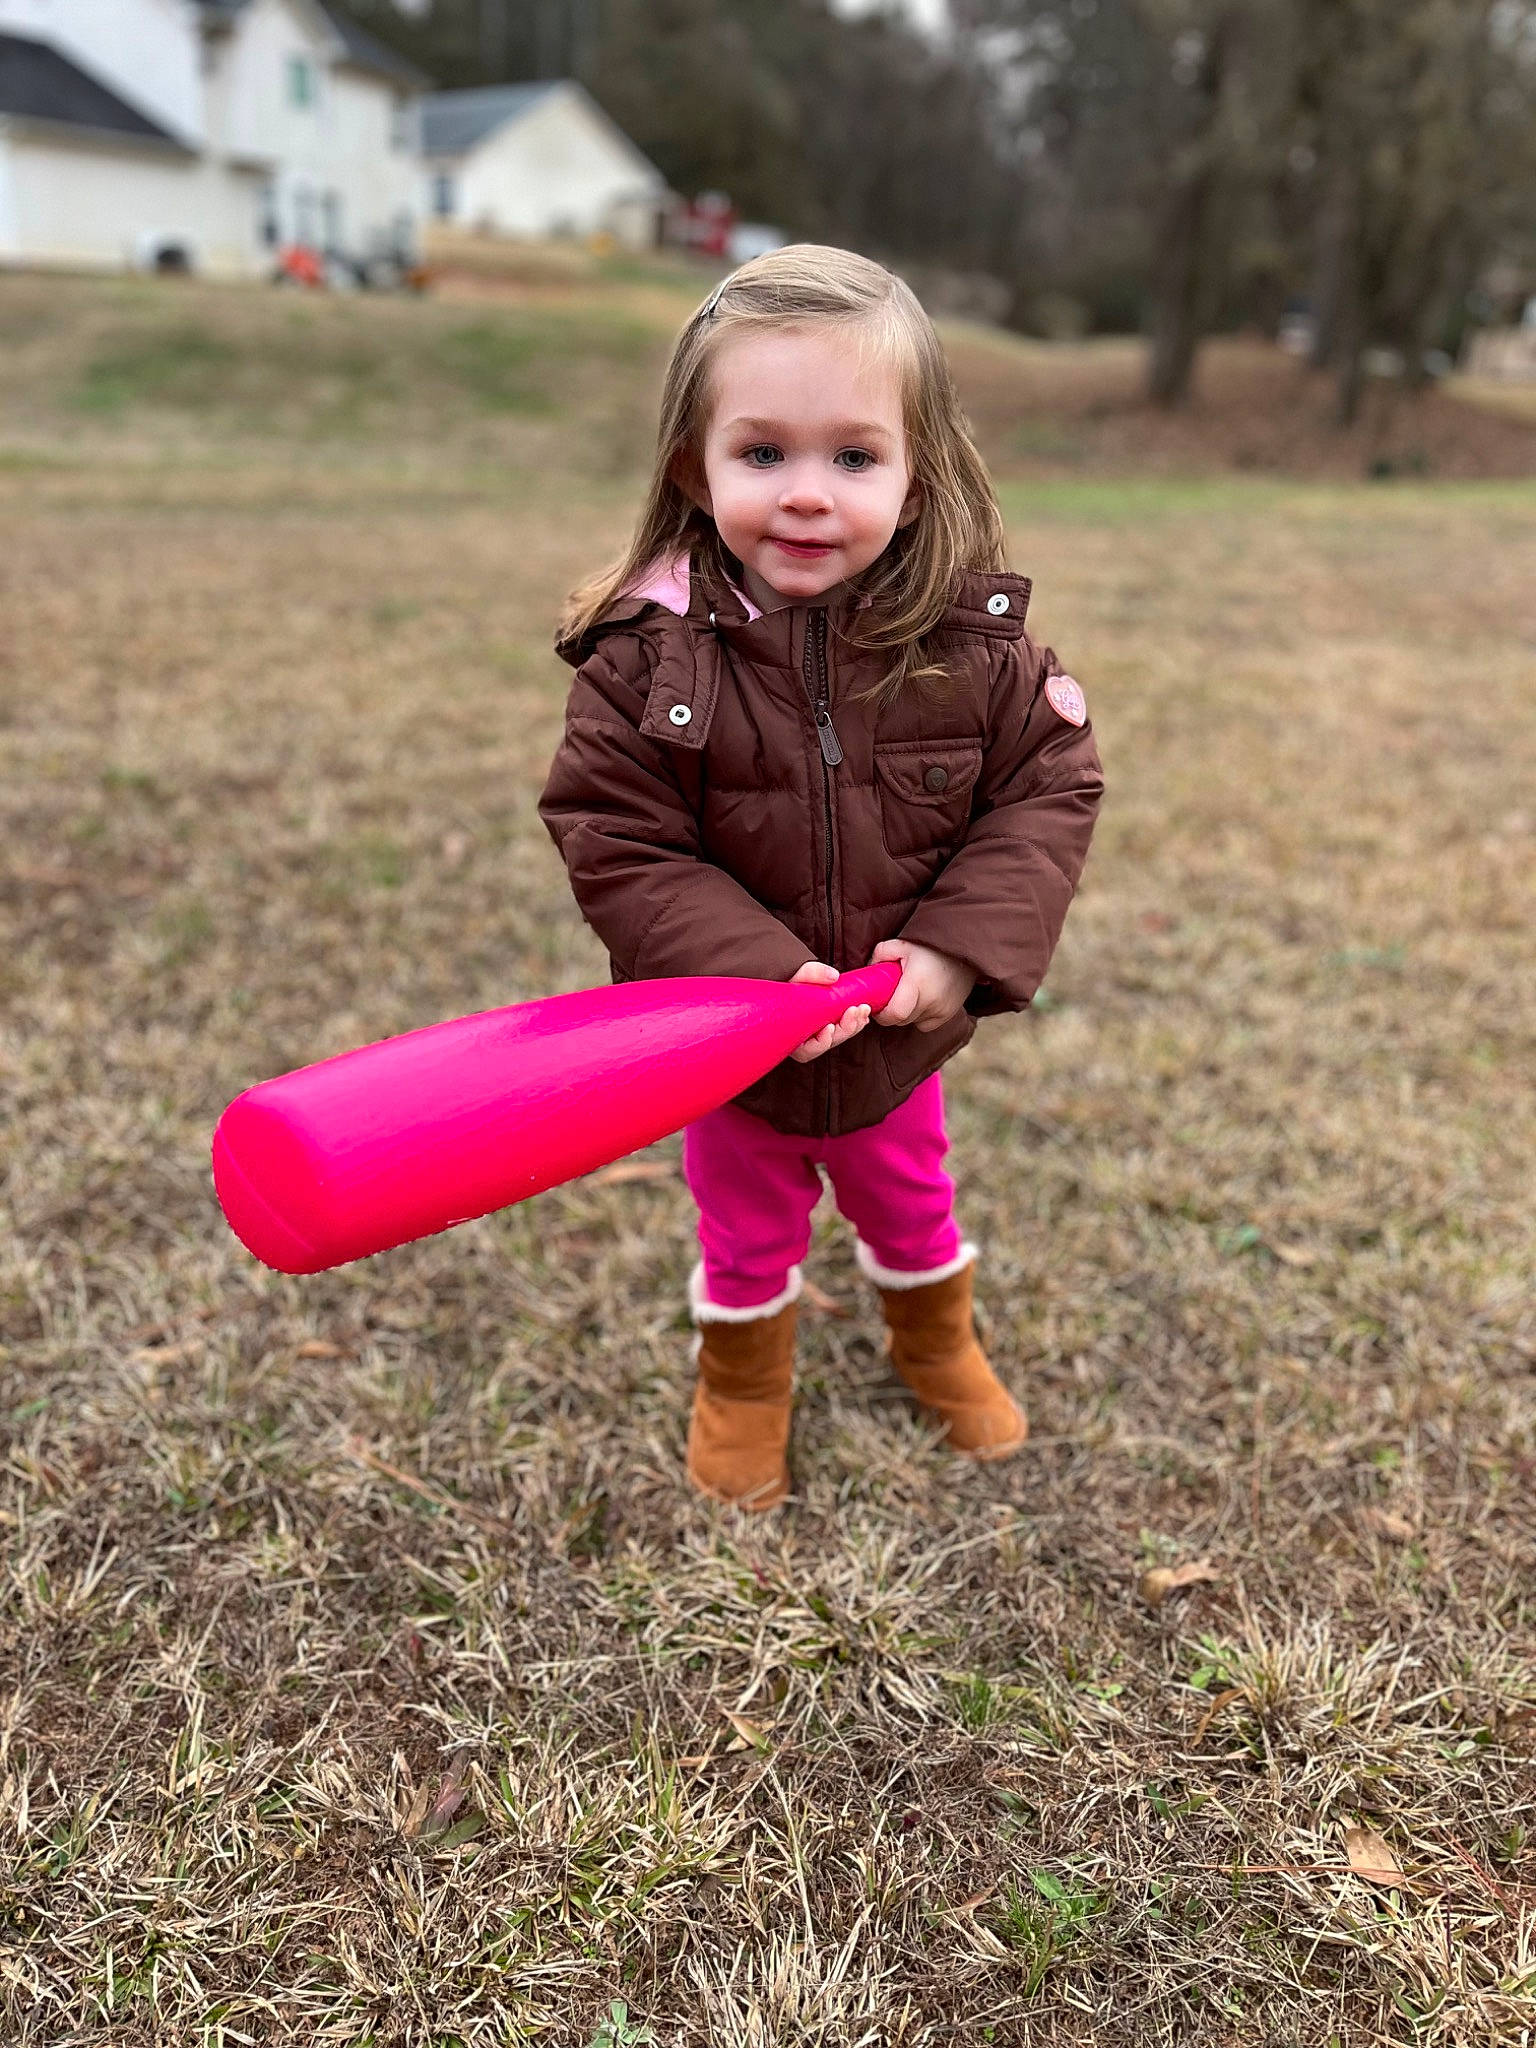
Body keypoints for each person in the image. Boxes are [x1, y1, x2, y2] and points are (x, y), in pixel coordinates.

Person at [540, 245, 1103, 1510]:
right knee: (744, 1224)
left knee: (912, 1199)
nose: (806, 494)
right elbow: (618, 837)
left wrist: (953, 950)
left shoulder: (973, 652)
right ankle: (743, 1382)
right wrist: (756, 979)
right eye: (762, 452)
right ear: (695, 468)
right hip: (733, 1049)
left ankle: (935, 1337)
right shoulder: (642, 665)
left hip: (896, 1036)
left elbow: (1050, 784)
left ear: (915, 475)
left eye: (854, 456)